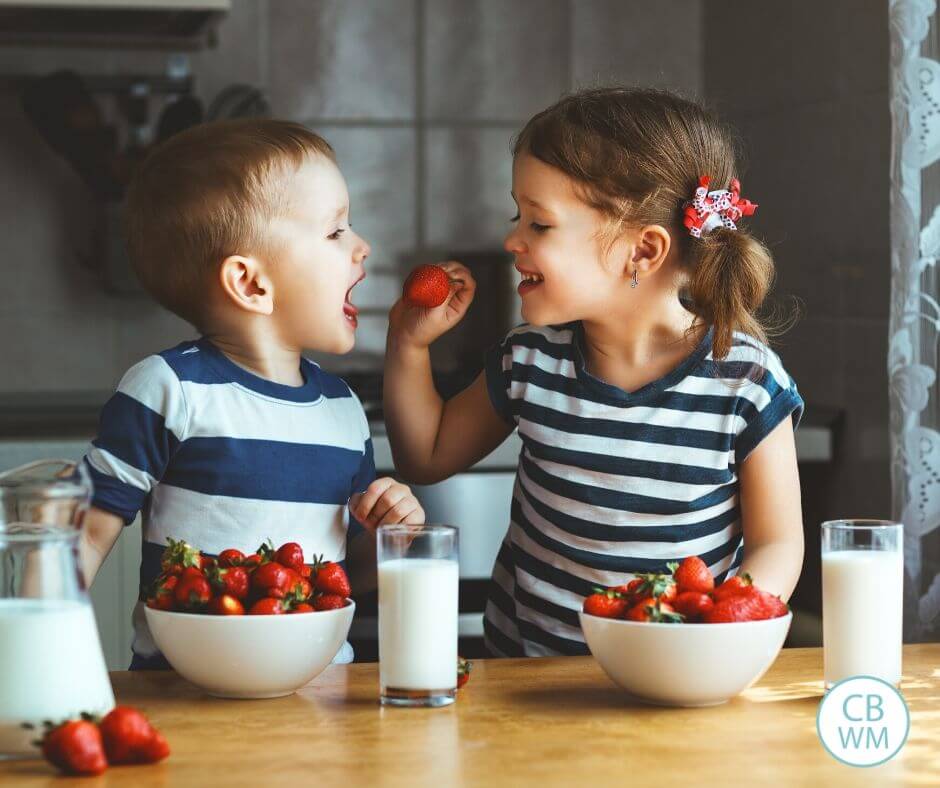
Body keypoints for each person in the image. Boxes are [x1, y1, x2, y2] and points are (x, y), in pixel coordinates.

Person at [383, 88, 804, 657]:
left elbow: (779, 545)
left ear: (643, 251)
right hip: (525, 686)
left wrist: (722, 631)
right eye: (518, 215)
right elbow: (425, 455)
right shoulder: (529, 360)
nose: (513, 240)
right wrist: (409, 345)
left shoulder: (746, 383)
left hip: (669, 680)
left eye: (540, 223)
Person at [81, 119, 424, 668]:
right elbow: (85, 537)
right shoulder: (170, 391)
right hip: (185, 703)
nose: (362, 247)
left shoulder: (343, 411)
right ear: (251, 284)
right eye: (336, 232)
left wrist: (392, 542)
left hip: (320, 704)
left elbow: (340, 579)